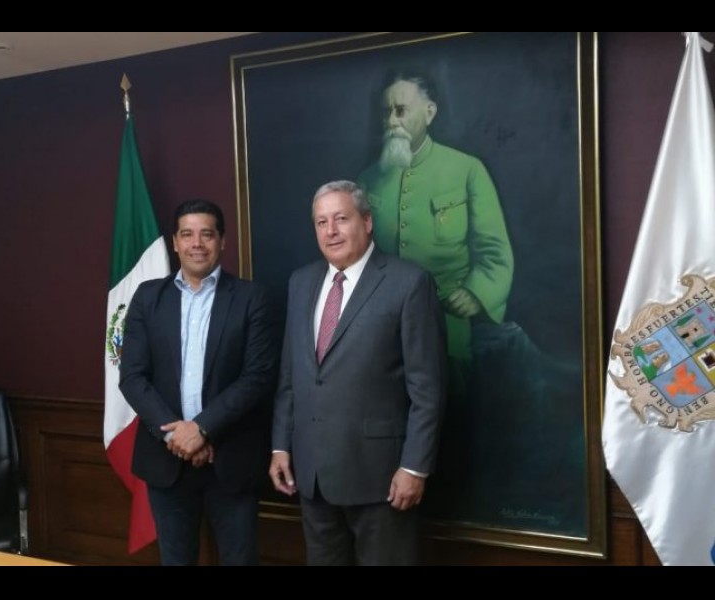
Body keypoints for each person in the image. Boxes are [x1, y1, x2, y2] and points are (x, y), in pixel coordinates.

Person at [269, 180, 447, 565]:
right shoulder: (301, 282)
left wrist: (414, 467)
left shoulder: (409, 283)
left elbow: (428, 390)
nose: (330, 231)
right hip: (313, 476)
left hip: (381, 479)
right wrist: (280, 445)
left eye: (341, 219)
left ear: (366, 222)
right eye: (321, 222)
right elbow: (290, 376)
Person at [119, 199, 279, 566]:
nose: (197, 244)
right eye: (187, 234)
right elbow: (132, 376)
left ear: (222, 241)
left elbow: (257, 377)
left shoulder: (252, 299)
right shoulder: (147, 297)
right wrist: (177, 436)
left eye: (207, 234)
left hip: (231, 459)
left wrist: (202, 429)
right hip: (167, 461)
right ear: (175, 242)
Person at [357, 69, 514, 371]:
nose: (392, 121)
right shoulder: (368, 179)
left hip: (449, 327)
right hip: (384, 331)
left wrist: (475, 293)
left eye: (401, 110)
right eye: (386, 112)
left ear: (429, 113)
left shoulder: (467, 170)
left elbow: (495, 252)